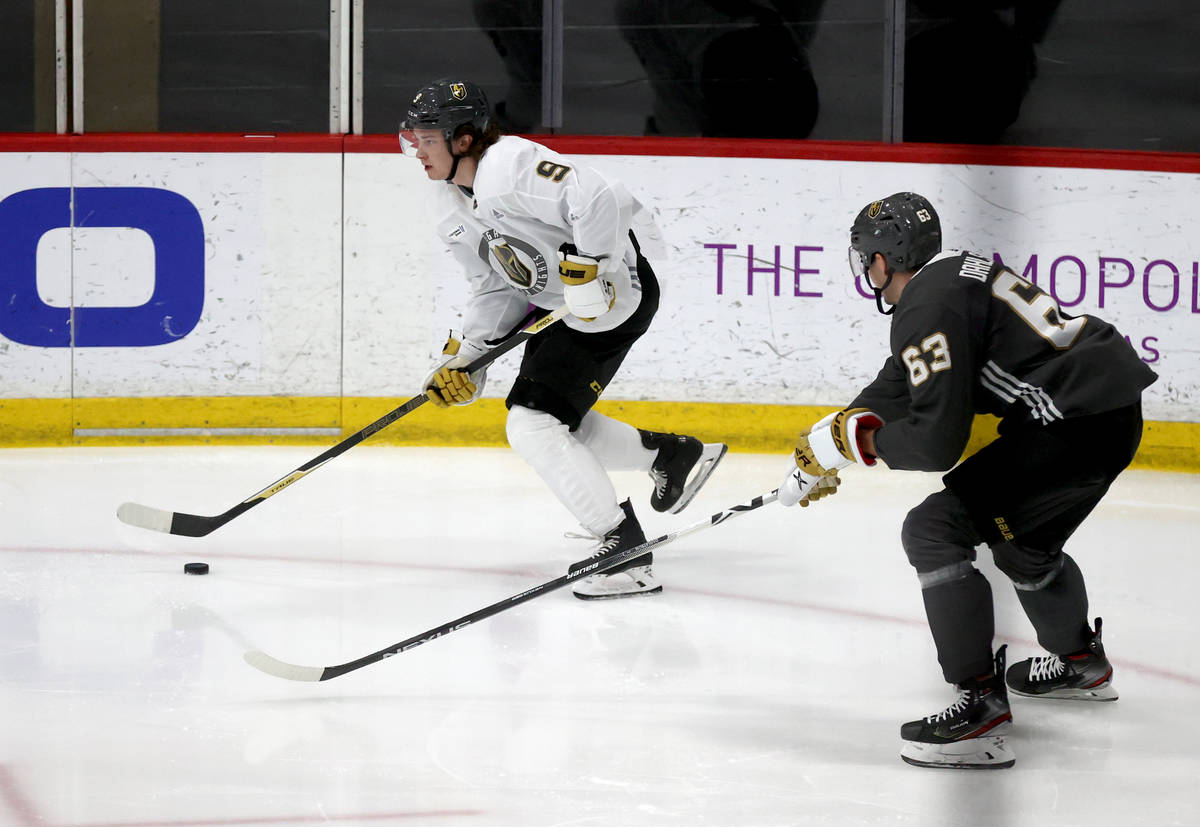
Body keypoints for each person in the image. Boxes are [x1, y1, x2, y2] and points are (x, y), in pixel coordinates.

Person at [776, 192, 1157, 769]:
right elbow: (901, 377)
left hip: (1071, 426)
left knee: (933, 530)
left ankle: (979, 706)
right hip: (1104, 412)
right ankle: (1081, 664)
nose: (866, 272)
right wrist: (834, 433)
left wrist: (861, 446)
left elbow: (936, 442)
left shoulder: (927, 308)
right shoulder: (952, 274)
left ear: (884, 259)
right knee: (1024, 545)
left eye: (866, 258)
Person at [398, 78, 727, 601]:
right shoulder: (447, 201)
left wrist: (591, 271)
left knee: (533, 423)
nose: (416, 150)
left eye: (427, 139)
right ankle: (668, 457)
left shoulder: (507, 166)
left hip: (615, 298)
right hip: (563, 308)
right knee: (544, 415)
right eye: (411, 138)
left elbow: (601, 197)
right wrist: (468, 360)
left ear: (464, 139)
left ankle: (625, 553)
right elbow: (495, 285)